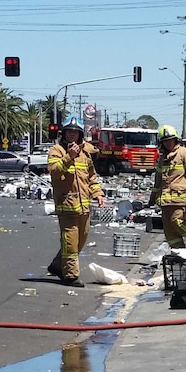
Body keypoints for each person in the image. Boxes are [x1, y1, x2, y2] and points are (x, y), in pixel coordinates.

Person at [46, 117, 104, 287]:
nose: (72, 134)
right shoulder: (56, 150)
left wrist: (98, 194)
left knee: (81, 239)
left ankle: (58, 265)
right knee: (70, 241)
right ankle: (71, 276)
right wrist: (68, 157)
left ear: (80, 134)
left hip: (84, 205)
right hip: (67, 205)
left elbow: (91, 177)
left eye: (75, 132)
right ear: (63, 133)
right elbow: (54, 171)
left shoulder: (85, 153)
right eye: (69, 131)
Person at [149, 125, 186, 249]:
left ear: (176, 139)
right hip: (165, 201)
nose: (168, 143)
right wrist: (153, 197)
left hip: (179, 198)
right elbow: (158, 180)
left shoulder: (185, 153)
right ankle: (179, 254)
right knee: (169, 229)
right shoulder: (163, 159)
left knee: (178, 222)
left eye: (170, 140)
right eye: (165, 141)